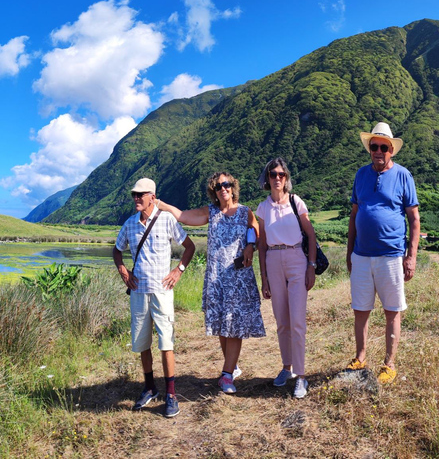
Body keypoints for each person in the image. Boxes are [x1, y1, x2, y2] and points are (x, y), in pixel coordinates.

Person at [155, 172, 265, 395]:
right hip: (217, 278)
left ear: (233, 187)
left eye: (226, 184)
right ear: (214, 191)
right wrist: (161, 204)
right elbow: (183, 216)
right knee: (223, 327)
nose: (222, 188)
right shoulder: (210, 212)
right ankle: (231, 368)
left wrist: (249, 246)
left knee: (233, 326)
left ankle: (226, 375)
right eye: (218, 186)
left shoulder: (245, 211)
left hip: (238, 277)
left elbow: (255, 230)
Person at [113, 177, 196, 418]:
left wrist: (178, 271)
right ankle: (150, 388)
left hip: (162, 291)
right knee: (142, 343)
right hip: (138, 292)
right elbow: (117, 250)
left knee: (166, 342)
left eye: (142, 194)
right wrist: (122, 270)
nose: (137, 198)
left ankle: (171, 394)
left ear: (152, 196)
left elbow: (189, 247)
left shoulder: (167, 219)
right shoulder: (129, 224)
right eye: (134, 195)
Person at [346, 122, 420, 384]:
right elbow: (354, 214)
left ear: (391, 150)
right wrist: (349, 252)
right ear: (370, 149)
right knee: (361, 309)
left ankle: (389, 364)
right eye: (374, 146)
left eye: (383, 147)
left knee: (392, 311)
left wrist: (411, 257)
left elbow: (414, 219)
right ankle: (360, 357)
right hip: (362, 255)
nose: (378, 151)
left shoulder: (403, 176)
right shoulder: (360, 175)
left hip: (391, 255)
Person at [256, 158, 318, 399]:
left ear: (286, 177)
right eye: (273, 174)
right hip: (273, 260)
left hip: (296, 259)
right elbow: (262, 245)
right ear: (267, 178)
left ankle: (301, 376)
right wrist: (264, 278)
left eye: (281, 174)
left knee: (297, 321)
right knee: (281, 320)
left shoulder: (296, 202)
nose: (277, 178)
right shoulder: (262, 208)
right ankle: (287, 368)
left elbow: (311, 236)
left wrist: (311, 267)